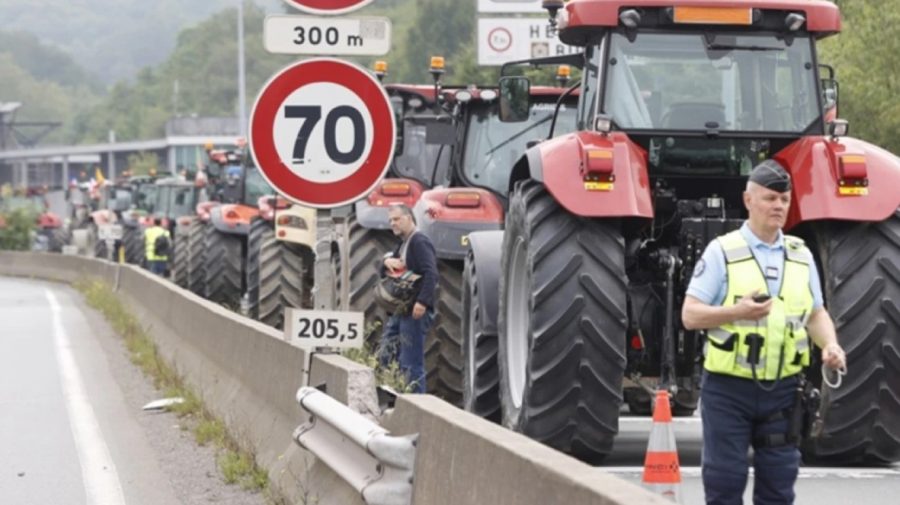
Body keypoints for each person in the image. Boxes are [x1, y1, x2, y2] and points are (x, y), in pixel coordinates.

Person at [682, 159, 847, 505]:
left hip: (784, 391)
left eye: (784, 200)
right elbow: (690, 315)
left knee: (779, 486)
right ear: (749, 201)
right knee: (725, 482)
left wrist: (830, 344)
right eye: (771, 198)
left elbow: (816, 313)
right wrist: (736, 312)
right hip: (728, 391)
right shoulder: (721, 252)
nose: (778, 206)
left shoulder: (801, 256)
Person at [378, 204, 438, 393]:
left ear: (410, 218)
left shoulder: (419, 242)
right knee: (386, 353)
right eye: (390, 220)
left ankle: (417, 403)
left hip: (414, 312)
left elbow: (431, 273)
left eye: (397, 219)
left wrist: (422, 302)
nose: (392, 224)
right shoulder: (403, 244)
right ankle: (393, 393)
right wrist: (386, 261)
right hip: (401, 312)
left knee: (411, 363)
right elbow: (385, 271)